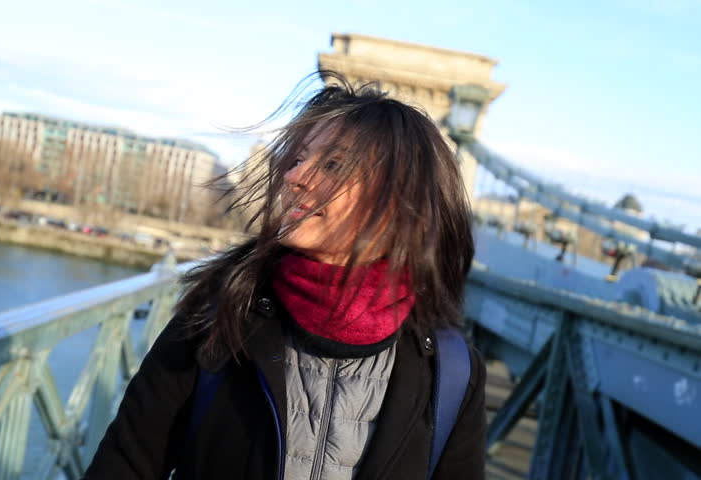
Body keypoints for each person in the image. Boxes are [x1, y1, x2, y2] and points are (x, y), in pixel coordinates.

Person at [83, 73, 486, 479]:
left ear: (401, 200)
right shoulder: (219, 315)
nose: (296, 176)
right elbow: (125, 464)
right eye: (298, 158)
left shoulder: (451, 372)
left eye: (332, 164)